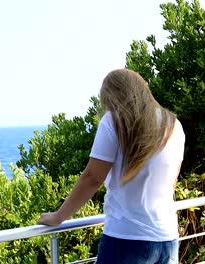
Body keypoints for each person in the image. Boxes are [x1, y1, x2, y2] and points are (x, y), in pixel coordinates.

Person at [38, 69, 185, 263]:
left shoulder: (114, 122)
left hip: (126, 239)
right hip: (167, 239)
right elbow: (172, 180)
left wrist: (58, 217)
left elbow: (92, 178)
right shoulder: (174, 125)